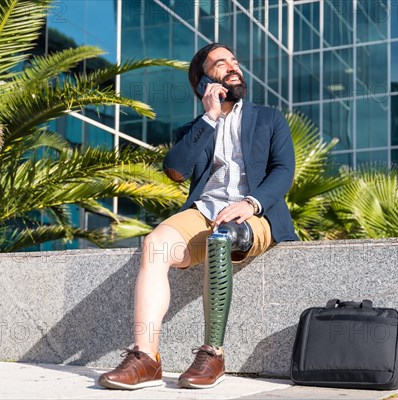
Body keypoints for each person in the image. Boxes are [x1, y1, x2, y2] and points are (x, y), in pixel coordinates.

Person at [98, 43, 298, 391]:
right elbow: (175, 170)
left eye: (234, 61)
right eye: (221, 64)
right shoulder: (196, 127)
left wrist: (250, 204)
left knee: (223, 239)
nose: (233, 67)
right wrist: (209, 118)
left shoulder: (269, 118)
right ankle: (146, 358)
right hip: (204, 212)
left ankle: (213, 353)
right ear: (204, 83)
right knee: (155, 245)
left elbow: (283, 171)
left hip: (255, 216)